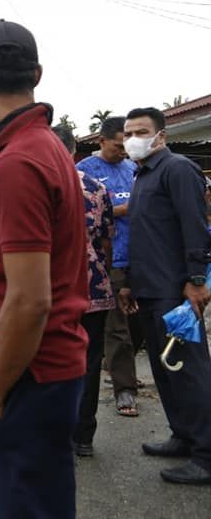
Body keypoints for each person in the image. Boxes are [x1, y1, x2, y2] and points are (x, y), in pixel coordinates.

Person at [0, 19, 89, 518]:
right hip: (46, 368)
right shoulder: (47, 147)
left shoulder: (17, 162)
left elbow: (31, 298)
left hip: (24, 374)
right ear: (36, 73)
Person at [122, 106, 211, 485]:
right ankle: (184, 436)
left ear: (161, 135)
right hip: (150, 288)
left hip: (177, 290)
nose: (132, 139)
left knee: (190, 372)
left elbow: (195, 226)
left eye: (140, 131)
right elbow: (143, 234)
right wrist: (129, 282)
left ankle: (207, 455)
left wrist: (195, 278)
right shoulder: (142, 175)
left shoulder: (177, 170)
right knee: (165, 369)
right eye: (127, 132)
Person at [54, 124, 116, 458]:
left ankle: (57, 435)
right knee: (89, 364)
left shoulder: (42, 187)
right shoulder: (95, 188)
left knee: (54, 362)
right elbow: (107, 239)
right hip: (94, 288)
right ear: (74, 149)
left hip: (55, 291)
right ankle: (84, 437)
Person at [76, 115, 143, 417]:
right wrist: (123, 209)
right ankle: (124, 390)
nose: (123, 152)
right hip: (108, 258)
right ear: (101, 142)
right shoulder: (84, 172)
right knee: (117, 328)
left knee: (137, 323)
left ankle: (120, 369)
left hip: (138, 255)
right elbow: (86, 217)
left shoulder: (132, 169)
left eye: (126, 146)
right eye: (118, 146)